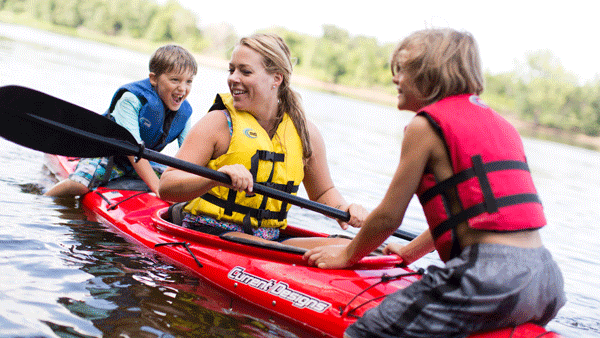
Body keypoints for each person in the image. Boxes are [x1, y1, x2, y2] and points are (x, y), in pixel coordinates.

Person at [304, 28, 566, 337]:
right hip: (546, 280)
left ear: (430, 73)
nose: (395, 79)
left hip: (488, 277)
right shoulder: (502, 125)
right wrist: (410, 254)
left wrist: (347, 255)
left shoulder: (424, 126)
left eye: (403, 70)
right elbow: (473, 215)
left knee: (365, 333)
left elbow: (389, 216)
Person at [158, 33, 367, 249]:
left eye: (245, 71)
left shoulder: (305, 133)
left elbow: (323, 193)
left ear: (276, 78)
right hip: (211, 233)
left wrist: (345, 209)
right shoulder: (218, 123)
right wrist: (216, 179)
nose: (233, 78)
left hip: (269, 240)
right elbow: (166, 186)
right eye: (232, 70)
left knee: (352, 247)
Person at [45, 44, 197, 198]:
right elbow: (133, 150)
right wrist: (159, 190)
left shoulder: (184, 113)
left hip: (143, 162)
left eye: (189, 81)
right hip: (106, 154)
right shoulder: (131, 100)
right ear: (154, 79)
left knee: (174, 181)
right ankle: (43, 199)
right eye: (175, 80)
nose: (182, 88)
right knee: (79, 185)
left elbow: (191, 158)